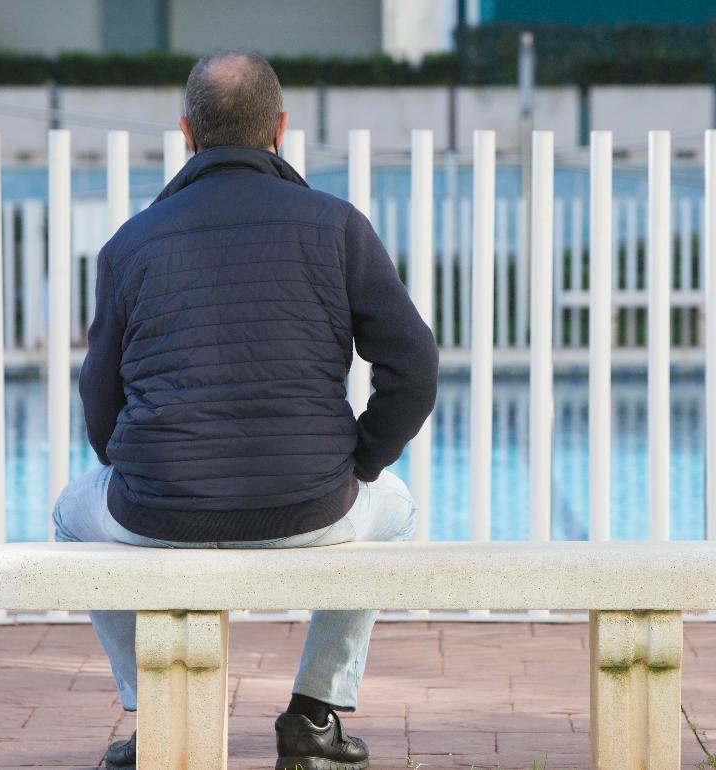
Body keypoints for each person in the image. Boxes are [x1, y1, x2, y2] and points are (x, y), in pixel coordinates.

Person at [51, 50, 438, 770]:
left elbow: (98, 405)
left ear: (187, 133)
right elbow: (414, 367)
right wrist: (362, 461)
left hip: (157, 514)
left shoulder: (130, 244)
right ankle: (315, 713)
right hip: (312, 507)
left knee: (72, 511)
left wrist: (138, 468)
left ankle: (157, 708)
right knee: (401, 507)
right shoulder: (337, 226)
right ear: (280, 129)